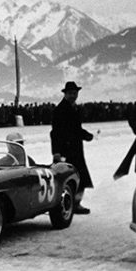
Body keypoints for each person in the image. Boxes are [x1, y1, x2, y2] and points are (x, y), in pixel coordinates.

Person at [50, 81, 93, 214]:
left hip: (76, 150)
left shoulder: (74, 108)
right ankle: (66, 204)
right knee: (66, 179)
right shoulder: (60, 110)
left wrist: (86, 135)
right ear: (65, 94)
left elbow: (76, 129)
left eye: (75, 93)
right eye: (70, 93)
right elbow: (55, 133)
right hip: (65, 151)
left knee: (80, 177)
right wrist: (56, 152)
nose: (73, 96)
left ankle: (76, 203)